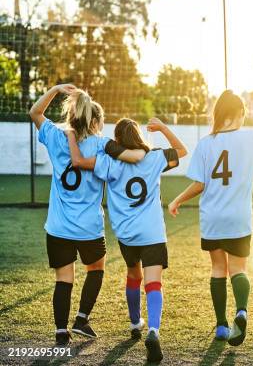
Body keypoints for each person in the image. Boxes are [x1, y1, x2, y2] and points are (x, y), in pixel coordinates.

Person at [168, 90, 253, 345]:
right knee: (238, 269)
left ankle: (221, 325)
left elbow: (200, 185)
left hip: (212, 217)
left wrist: (178, 199)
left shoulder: (205, 143)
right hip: (238, 218)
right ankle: (241, 311)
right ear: (240, 114)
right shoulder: (252, 138)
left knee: (218, 269)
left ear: (219, 115)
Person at [29, 84, 145, 346]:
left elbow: (35, 113)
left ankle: (61, 331)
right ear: (94, 121)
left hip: (59, 226)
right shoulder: (102, 144)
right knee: (96, 268)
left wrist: (56, 89)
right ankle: (81, 319)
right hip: (89, 227)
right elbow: (131, 157)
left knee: (64, 277)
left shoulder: (57, 136)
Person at [66, 117, 187, 362]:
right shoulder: (154, 158)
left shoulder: (109, 162)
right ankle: (153, 330)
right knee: (153, 283)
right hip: (152, 232)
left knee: (134, 274)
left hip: (127, 235)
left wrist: (72, 136)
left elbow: (77, 162)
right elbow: (182, 151)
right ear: (139, 138)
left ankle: (135, 323)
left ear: (118, 141)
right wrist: (163, 128)